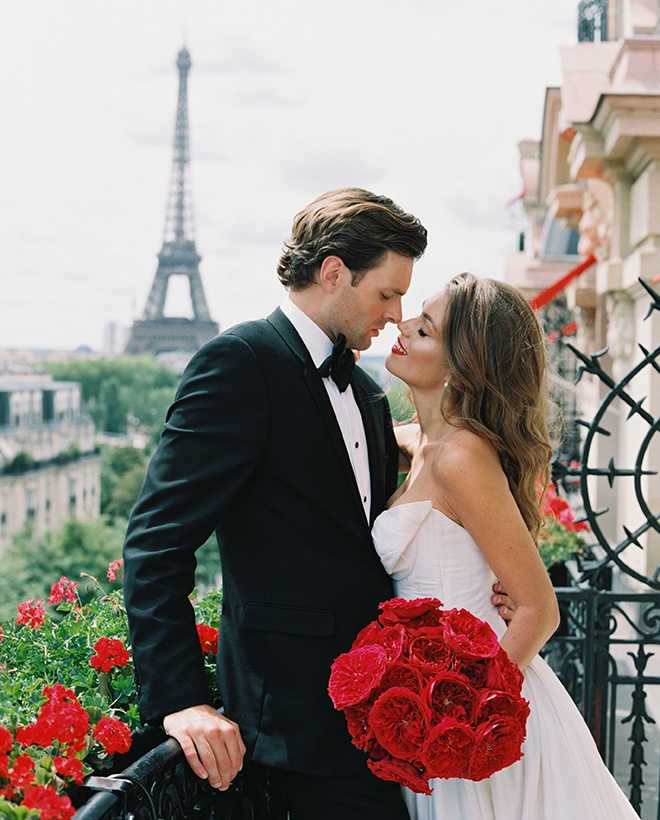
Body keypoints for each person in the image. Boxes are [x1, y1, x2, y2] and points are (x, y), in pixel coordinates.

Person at [122, 189, 511, 819]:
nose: (396, 313)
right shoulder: (239, 363)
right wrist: (181, 699)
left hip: (383, 716)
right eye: (387, 293)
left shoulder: (364, 391)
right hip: (291, 725)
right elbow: (156, 541)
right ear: (334, 273)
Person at [375, 271, 638, 819]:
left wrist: (465, 714)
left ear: (463, 367)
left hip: (475, 708)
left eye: (424, 329)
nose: (401, 325)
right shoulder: (419, 443)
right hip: (431, 700)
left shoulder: (460, 456)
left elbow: (539, 609)